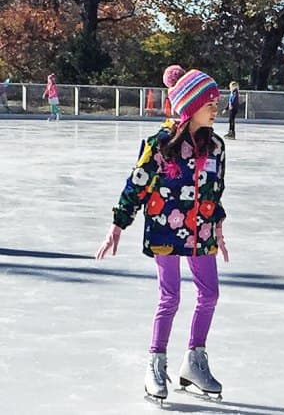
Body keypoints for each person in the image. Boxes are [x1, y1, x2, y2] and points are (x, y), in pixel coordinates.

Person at [95, 65, 229, 402]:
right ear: (190, 107)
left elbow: (215, 190)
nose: (217, 110)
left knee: (209, 295)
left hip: (203, 232)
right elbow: (136, 184)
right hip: (166, 232)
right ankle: (156, 363)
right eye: (210, 104)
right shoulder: (160, 144)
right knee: (170, 297)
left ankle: (194, 360)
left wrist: (220, 226)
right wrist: (118, 225)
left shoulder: (216, 147)